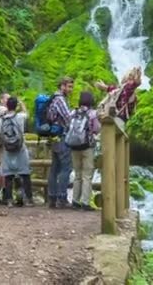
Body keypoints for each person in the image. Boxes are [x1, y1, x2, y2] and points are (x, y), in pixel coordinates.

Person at [0, 97, 34, 208]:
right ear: (16, 106)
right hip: (21, 148)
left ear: (7, 106)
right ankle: (29, 199)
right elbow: (27, 114)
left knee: (8, 176)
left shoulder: (1, 119)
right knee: (25, 174)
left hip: (7, 150)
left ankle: (9, 200)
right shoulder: (20, 117)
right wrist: (22, 104)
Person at [68, 91, 101, 211]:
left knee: (77, 174)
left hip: (74, 146)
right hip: (87, 147)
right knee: (87, 175)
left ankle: (75, 201)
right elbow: (97, 129)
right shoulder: (92, 114)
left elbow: (68, 125)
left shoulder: (74, 112)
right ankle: (85, 202)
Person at [47, 76, 74, 208]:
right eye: (69, 86)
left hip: (54, 137)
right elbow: (68, 118)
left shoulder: (53, 98)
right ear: (62, 86)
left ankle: (52, 198)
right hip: (62, 137)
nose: (71, 89)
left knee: (54, 168)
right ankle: (62, 198)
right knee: (66, 168)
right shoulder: (60, 99)